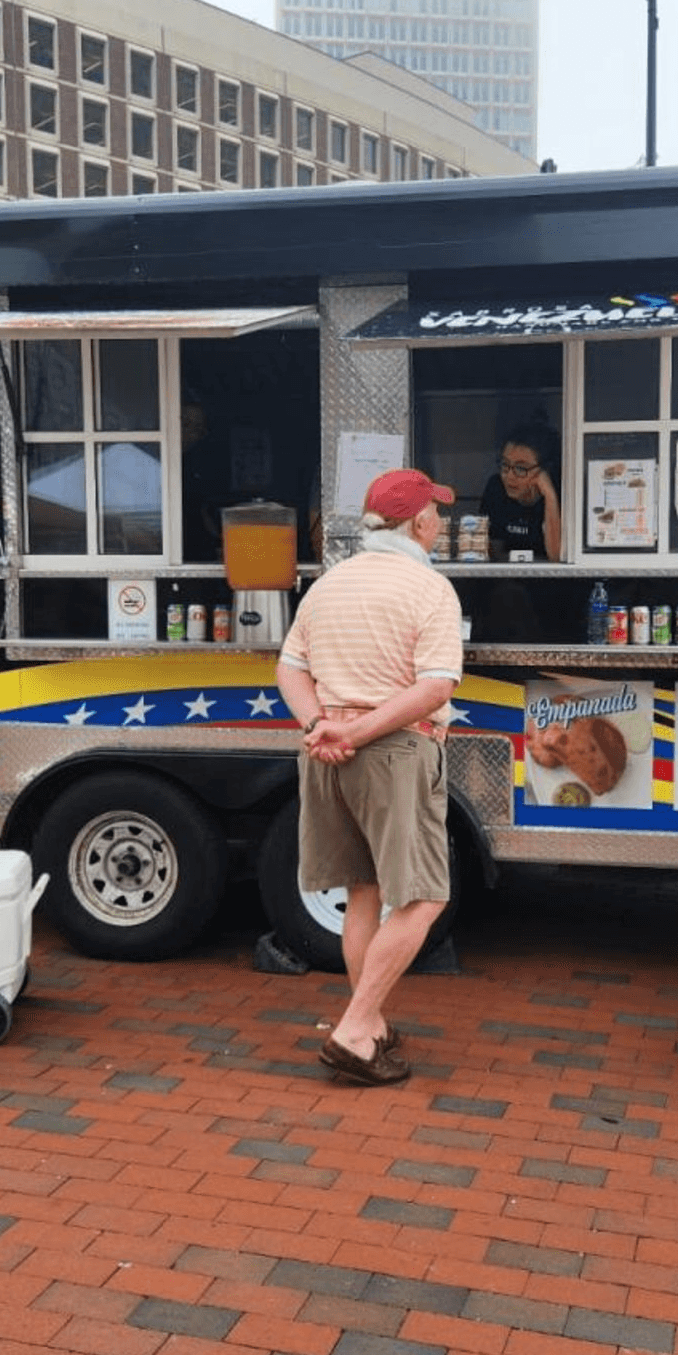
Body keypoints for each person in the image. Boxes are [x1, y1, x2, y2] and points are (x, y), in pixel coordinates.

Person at [276, 468, 463, 1086]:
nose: (441, 521)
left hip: (327, 753)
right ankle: (357, 1031)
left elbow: (290, 668)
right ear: (419, 523)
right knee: (425, 896)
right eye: (437, 512)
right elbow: (435, 685)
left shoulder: (328, 584)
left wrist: (319, 727)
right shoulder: (430, 588)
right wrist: (352, 734)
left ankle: (371, 1024)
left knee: (364, 890)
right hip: (395, 753)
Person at [479, 423, 562, 561]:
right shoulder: (496, 487)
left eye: (521, 468)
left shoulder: (562, 492)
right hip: (506, 578)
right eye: (505, 465)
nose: (509, 476)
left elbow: (556, 555)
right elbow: (493, 554)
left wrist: (550, 497)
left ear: (544, 470)